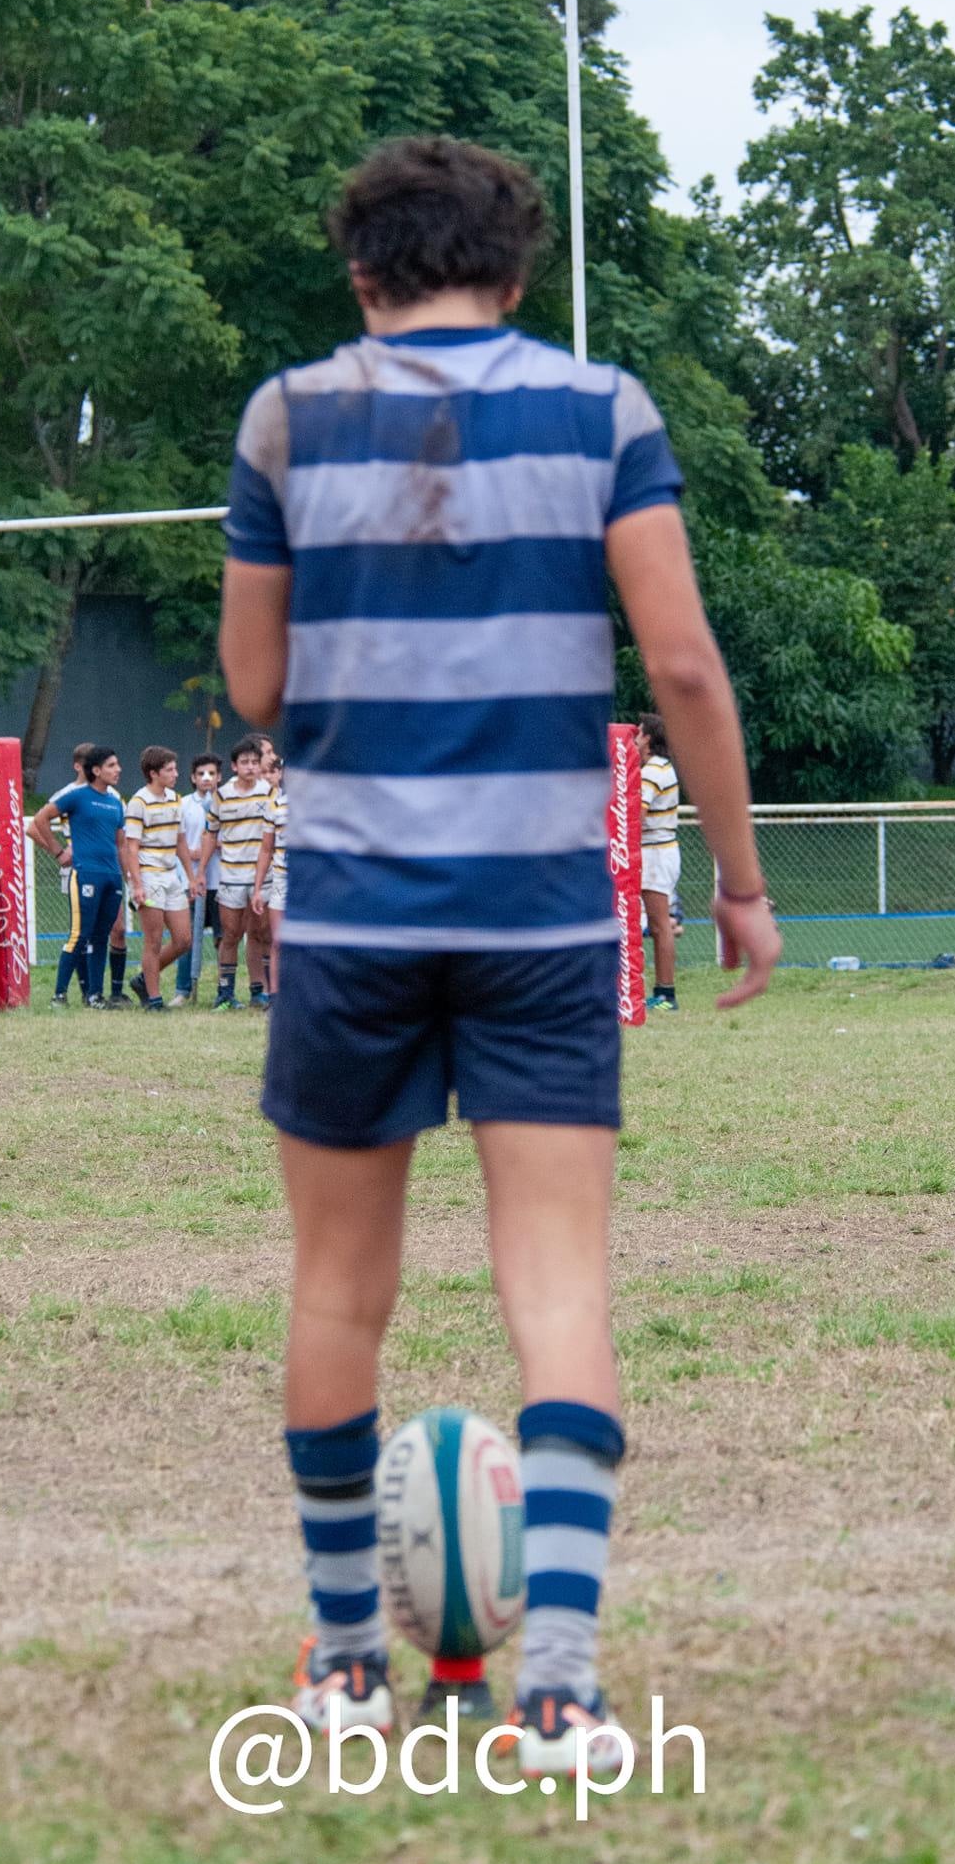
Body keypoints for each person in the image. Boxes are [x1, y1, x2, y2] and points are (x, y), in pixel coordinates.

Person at [217, 136, 781, 1769]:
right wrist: (736, 877)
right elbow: (679, 658)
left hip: (352, 914)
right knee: (563, 1284)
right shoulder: (604, 411)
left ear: (361, 273)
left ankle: (340, 1667)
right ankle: (562, 1687)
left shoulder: (287, 416)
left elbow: (255, 685)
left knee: (337, 1289)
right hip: (539, 911)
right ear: (518, 272)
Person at [28, 747, 126, 1009]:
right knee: (79, 935)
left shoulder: (116, 803)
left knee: (101, 937)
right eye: (111, 765)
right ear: (95, 770)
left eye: (117, 765)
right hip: (85, 874)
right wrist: (59, 852)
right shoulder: (77, 797)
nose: (117, 770)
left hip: (112, 877)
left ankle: (95, 996)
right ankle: (59, 995)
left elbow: (121, 844)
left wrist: (127, 877)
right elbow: (39, 819)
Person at [122, 746, 202, 1013]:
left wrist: (190, 877)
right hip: (149, 874)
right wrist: (138, 884)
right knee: (153, 940)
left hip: (170, 875)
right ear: (153, 773)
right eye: (170, 770)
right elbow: (131, 847)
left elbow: (180, 841)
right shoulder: (139, 802)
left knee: (184, 939)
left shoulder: (174, 798)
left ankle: (144, 979)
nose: (176, 774)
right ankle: (154, 1000)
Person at [197, 736, 269, 1010]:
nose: (250, 767)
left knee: (262, 934)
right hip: (231, 875)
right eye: (244, 762)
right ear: (234, 766)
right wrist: (201, 871)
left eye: (254, 762)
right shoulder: (222, 796)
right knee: (230, 934)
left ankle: (260, 992)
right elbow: (209, 835)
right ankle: (225, 994)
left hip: (265, 876)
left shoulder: (270, 792)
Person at [636, 713, 681, 1012]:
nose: (635, 738)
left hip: (655, 853)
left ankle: (665, 995)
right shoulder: (660, 767)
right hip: (658, 851)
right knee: (656, 924)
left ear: (649, 738)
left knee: (659, 926)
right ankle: (661, 992)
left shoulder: (652, 771)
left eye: (638, 733)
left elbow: (636, 815)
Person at [171, 753, 223, 1006]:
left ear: (219, 777)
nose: (207, 778)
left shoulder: (227, 803)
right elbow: (175, 838)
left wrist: (214, 845)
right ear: (193, 778)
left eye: (212, 774)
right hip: (190, 881)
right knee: (187, 937)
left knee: (223, 937)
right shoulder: (183, 805)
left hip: (220, 879)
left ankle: (225, 990)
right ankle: (183, 990)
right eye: (201, 774)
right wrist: (190, 853)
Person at [250, 755, 287, 993]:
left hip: (309, 881)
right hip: (282, 878)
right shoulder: (274, 805)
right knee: (279, 941)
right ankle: (275, 997)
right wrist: (257, 889)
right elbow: (266, 849)